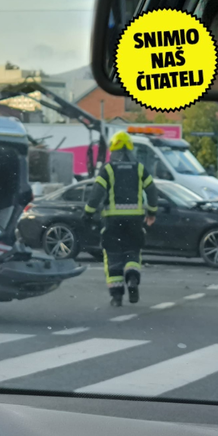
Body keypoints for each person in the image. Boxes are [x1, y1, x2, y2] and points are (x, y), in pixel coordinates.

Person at [83, 131, 158, 306]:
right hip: (135, 222)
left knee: (113, 256)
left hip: (112, 221)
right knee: (133, 251)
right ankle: (132, 277)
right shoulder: (139, 168)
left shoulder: (108, 169)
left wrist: (88, 212)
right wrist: (152, 213)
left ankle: (117, 297)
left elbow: (96, 193)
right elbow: (152, 190)